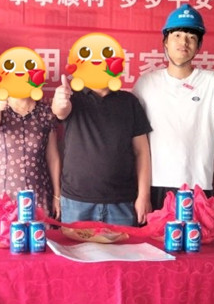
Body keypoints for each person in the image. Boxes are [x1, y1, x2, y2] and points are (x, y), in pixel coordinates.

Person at [133, 4, 214, 210]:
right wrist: (141, 194)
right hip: (155, 184)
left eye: (191, 37)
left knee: (198, 233)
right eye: (177, 35)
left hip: (197, 184)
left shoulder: (210, 81)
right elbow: (132, 130)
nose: (184, 42)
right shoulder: (146, 83)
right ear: (165, 41)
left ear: (198, 46)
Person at [52, 72, 152, 226]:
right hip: (76, 203)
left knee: (125, 244)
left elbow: (142, 151)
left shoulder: (129, 102)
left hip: (122, 202)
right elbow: (60, 111)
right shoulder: (72, 98)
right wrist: (60, 102)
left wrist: (144, 196)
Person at [0, 94, 62, 218]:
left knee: (38, 229)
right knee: (2, 229)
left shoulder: (45, 113)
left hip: (38, 192)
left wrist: (57, 195)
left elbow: (52, 157)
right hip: (2, 193)